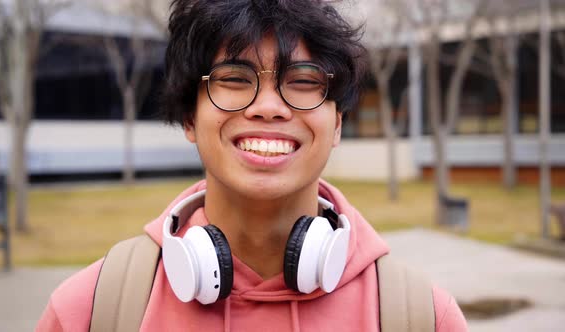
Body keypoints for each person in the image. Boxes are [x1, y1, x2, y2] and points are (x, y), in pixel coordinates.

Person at [37, 0, 468, 331]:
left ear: (337, 124)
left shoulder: (421, 316)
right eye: (234, 79)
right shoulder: (91, 311)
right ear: (190, 116)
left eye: (302, 81)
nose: (268, 107)